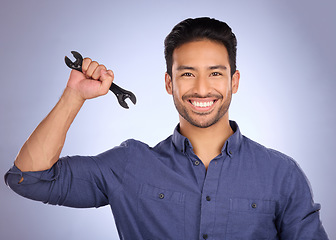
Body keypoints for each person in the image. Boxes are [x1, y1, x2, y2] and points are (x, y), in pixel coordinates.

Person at [4, 17, 328, 239]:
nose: (202, 89)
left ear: (235, 82)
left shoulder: (281, 174)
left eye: (215, 73)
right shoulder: (130, 165)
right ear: (169, 83)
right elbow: (28, 178)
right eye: (188, 74)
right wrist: (74, 95)